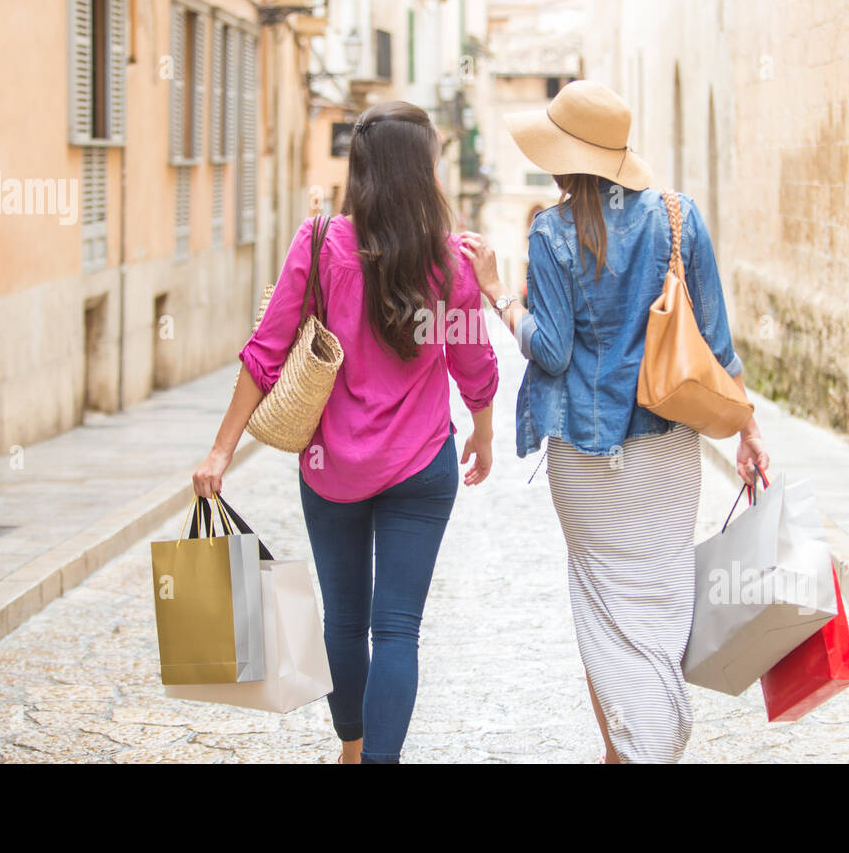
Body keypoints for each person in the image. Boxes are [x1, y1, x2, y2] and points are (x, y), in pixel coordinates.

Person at [460, 79, 770, 764]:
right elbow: (718, 344)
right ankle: (631, 747)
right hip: (667, 444)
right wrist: (749, 428)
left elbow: (551, 349)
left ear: (563, 157)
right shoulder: (679, 216)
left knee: (601, 600)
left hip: (583, 449)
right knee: (659, 599)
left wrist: (499, 297)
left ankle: (639, 747)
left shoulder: (550, 232)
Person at [194, 100, 499, 764]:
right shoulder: (454, 260)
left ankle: (353, 749)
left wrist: (222, 449)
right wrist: (483, 431)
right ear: (422, 171)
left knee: (345, 619)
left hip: (333, 469)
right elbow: (474, 361)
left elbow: (266, 350)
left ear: (360, 169)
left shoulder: (319, 240)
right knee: (397, 630)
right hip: (422, 467)